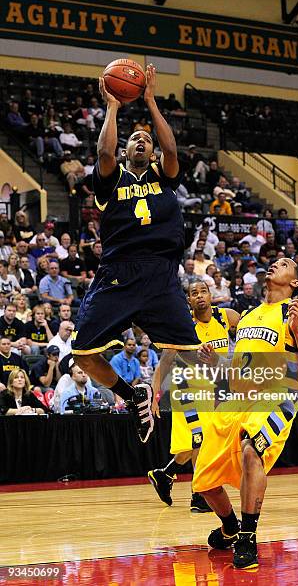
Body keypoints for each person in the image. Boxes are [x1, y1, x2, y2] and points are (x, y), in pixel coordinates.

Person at [72, 65, 200, 443]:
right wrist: (112, 107)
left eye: (147, 138)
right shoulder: (111, 180)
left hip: (162, 274)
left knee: (194, 353)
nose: (141, 141)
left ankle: (222, 411)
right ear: (127, 152)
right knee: (82, 355)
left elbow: (172, 148)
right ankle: (132, 395)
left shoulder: (165, 175)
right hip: (118, 273)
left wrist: (149, 101)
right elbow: (103, 150)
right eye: (135, 140)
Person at [192, 259, 298, 569]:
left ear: (294, 283)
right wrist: (216, 365)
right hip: (237, 400)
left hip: (276, 397)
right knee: (203, 481)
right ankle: (231, 528)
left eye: (285, 263)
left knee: (252, 450)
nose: (276, 263)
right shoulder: (248, 316)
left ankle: (248, 536)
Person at [148, 280, 240, 512]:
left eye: (203, 292)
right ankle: (199, 496)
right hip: (187, 387)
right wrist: (154, 395)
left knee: (197, 441)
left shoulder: (226, 316)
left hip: (214, 387)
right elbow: (165, 361)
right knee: (202, 439)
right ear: (188, 300)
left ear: (211, 295)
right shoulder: (184, 325)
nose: (199, 296)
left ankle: (165, 474)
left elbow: (250, 332)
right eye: (193, 293)